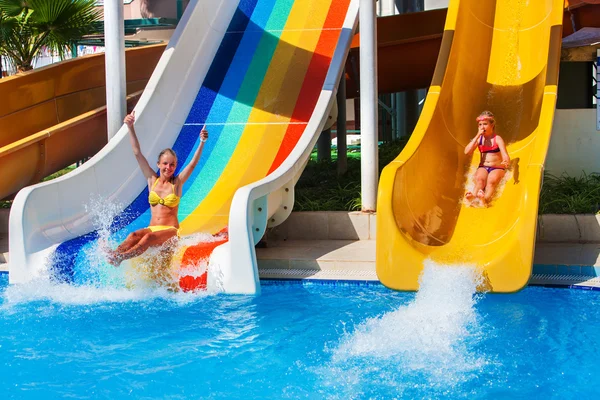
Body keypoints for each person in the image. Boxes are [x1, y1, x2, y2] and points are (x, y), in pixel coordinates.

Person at [106, 111, 208, 266]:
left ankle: (120, 258)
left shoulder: (177, 182)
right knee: (134, 235)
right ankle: (115, 253)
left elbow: (193, 164)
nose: (169, 167)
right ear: (158, 164)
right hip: (153, 228)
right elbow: (137, 153)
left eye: (172, 164)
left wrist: (201, 142)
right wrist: (130, 127)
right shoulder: (152, 180)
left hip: (171, 231)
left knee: (147, 239)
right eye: (165, 163)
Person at [463, 110, 510, 206]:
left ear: (492, 125)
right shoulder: (479, 139)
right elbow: (467, 152)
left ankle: (485, 199)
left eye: (485, 124)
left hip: (497, 167)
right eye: (480, 125)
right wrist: (477, 136)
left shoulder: (497, 139)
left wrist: (506, 161)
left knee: (491, 181)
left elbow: (505, 154)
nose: (482, 127)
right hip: (483, 166)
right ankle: (474, 197)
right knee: (480, 179)